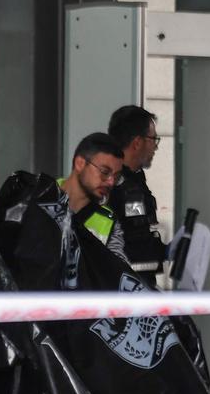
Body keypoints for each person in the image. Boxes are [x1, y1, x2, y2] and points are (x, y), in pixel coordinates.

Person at [105, 105, 167, 274]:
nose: (156, 147)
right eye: (153, 139)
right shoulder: (127, 189)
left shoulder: (125, 179)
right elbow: (136, 243)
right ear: (137, 143)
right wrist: (166, 252)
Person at [61, 132, 128, 260]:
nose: (111, 182)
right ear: (80, 163)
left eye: (116, 176)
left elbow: (116, 273)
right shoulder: (39, 198)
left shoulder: (108, 222)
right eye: (105, 172)